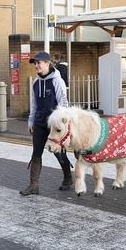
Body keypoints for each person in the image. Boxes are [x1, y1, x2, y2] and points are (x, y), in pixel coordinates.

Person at [20, 51, 72, 196]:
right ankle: (33, 185)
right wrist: (31, 121)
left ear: (47, 63)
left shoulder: (57, 81)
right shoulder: (36, 82)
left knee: (58, 153)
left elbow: (63, 104)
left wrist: (63, 124)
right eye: (35, 63)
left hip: (54, 125)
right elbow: (34, 105)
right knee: (36, 153)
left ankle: (68, 178)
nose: (36, 65)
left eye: (39, 63)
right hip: (39, 123)